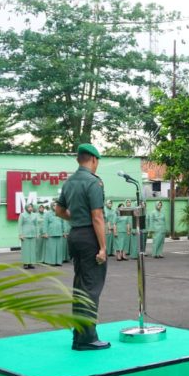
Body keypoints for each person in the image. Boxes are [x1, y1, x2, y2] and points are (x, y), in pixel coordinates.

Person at [56, 143, 110, 351]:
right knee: (91, 288)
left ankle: (79, 335)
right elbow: (97, 216)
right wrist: (103, 248)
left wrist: (76, 218)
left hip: (75, 234)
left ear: (79, 159)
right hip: (89, 237)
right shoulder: (93, 182)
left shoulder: (69, 182)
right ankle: (87, 338)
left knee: (80, 287)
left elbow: (59, 210)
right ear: (94, 160)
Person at [43, 202, 65, 267]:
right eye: (54, 205)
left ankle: (58, 262)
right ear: (51, 206)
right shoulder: (47, 214)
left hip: (59, 233)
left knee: (59, 249)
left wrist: (64, 231)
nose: (55, 207)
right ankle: (51, 262)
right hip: (51, 233)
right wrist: (45, 232)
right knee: (51, 249)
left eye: (57, 205)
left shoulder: (60, 213)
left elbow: (63, 222)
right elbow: (45, 224)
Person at [19, 203, 38, 269]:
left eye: (31, 207)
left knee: (32, 250)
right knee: (26, 250)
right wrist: (20, 234)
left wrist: (37, 233)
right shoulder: (22, 215)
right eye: (29, 207)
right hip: (25, 235)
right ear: (26, 208)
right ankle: (25, 263)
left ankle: (31, 263)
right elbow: (20, 225)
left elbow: (36, 225)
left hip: (33, 234)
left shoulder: (35, 215)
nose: (30, 208)